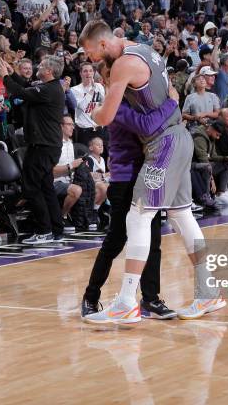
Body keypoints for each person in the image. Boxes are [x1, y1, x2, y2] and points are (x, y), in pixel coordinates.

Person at [79, 20, 225, 323]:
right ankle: (208, 291)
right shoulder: (145, 49)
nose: (90, 60)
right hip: (180, 136)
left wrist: (92, 111)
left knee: (139, 215)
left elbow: (105, 117)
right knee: (182, 216)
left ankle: (126, 301)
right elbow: (171, 92)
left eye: (91, 53)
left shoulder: (121, 66)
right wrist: (171, 107)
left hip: (164, 145)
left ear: (104, 45)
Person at [81, 62, 179, 320]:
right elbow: (148, 126)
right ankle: (91, 296)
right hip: (125, 180)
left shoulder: (137, 100)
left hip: (149, 175)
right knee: (116, 240)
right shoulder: (115, 106)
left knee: (154, 240)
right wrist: (172, 103)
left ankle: (151, 300)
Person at [0, 55, 66, 245]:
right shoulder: (51, 88)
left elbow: (22, 92)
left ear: (49, 71)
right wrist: (13, 74)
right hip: (48, 145)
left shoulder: (48, 90)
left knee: (32, 186)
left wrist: (5, 77)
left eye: (42, 65)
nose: (38, 66)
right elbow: (27, 87)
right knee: (46, 187)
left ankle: (44, 230)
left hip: (42, 146)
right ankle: (56, 229)